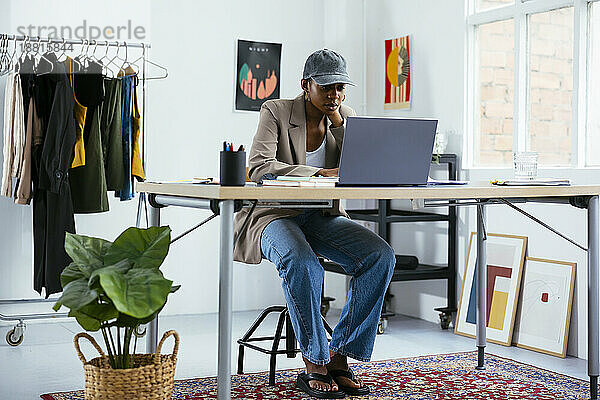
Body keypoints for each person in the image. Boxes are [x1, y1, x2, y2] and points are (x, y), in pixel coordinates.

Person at [233, 49, 396, 399]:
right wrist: (317, 172)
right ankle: (315, 362)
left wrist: (340, 124)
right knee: (302, 262)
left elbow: (365, 165)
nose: (334, 95)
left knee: (380, 255)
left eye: (340, 87)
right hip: (273, 214)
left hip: (321, 215)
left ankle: (339, 356)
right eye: (326, 88)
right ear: (306, 85)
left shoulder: (344, 118)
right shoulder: (275, 111)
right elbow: (260, 166)